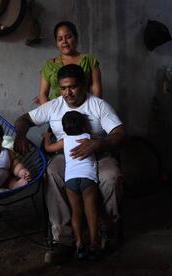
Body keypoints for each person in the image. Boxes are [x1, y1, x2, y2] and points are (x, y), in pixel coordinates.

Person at [14, 64, 125, 264]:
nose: (68, 93)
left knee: (111, 176)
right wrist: (21, 134)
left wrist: (99, 143)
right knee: (53, 174)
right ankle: (63, 241)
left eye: (72, 87)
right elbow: (24, 119)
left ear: (83, 85)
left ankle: (109, 231)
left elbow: (119, 133)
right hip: (66, 158)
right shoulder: (54, 105)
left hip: (99, 155)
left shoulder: (98, 105)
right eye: (63, 88)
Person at [44, 110, 100, 260]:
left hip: (71, 179)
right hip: (88, 177)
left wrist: (46, 137)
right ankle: (94, 245)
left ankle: (79, 244)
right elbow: (101, 143)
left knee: (76, 212)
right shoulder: (89, 138)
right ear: (84, 125)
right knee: (91, 211)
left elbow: (48, 148)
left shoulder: (64, 141)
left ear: (63, 128)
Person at [37, 21, 102, 105]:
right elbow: (43, 94)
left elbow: (97, 90)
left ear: (76, 38)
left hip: (84, 108)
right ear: (56, 43)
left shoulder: (89, 60)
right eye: (60, 39)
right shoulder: (49, 65)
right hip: (56, 111)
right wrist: (50, 113)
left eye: (68, 37)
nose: (64, 41)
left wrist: (91, 110)